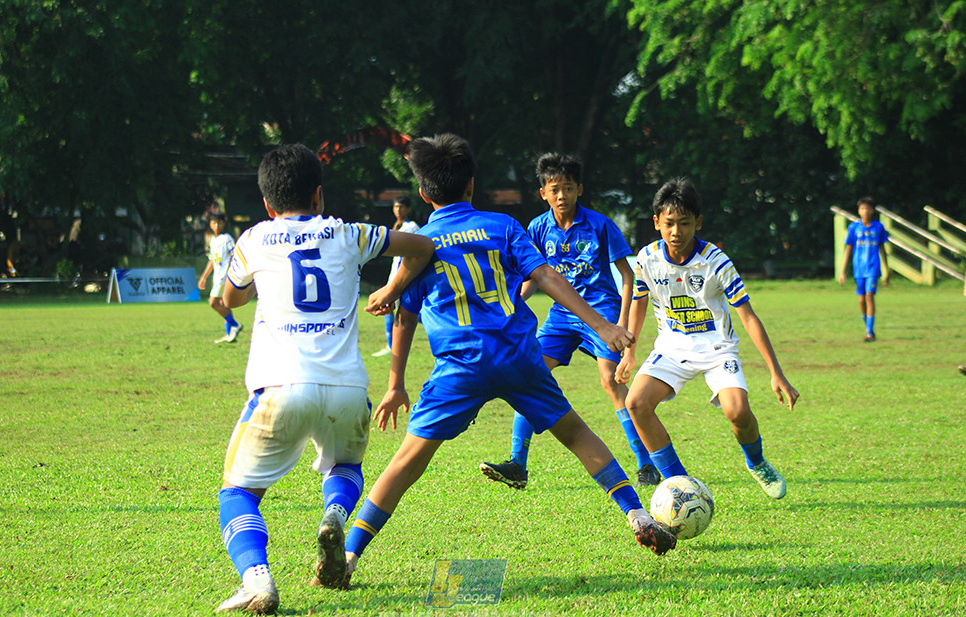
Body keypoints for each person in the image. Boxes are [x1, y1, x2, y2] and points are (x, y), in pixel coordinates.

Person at [343, 133, 677, 587]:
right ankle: (637, 516)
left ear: (423, 193)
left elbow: (405, 314)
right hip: (519, 355)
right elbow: (546, 276)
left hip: (460, 366)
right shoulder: (503, 226)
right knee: (576, 432)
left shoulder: (419, 242)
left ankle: (348, 555)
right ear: (471, 185)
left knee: (406, 462)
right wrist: (602, 326)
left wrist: (395, 382)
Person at [214, 143, 435, 615]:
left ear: (268, 205)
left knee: (238, 493)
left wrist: (256, 281)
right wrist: (392, 288)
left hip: (279, 386)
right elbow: (422, 246)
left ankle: (257, 583)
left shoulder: (253, 239)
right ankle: (334, 516)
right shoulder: (349, 233)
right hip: (347, 387)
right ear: (318, 197)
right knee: (344, 468)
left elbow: (230, 300)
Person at [479, 153, 658, 490]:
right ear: (543, 193)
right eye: (555, 189)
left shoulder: (601, 224)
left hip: (601, 312)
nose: (562, 195)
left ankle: (646, 464)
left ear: (580, 190)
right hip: (560, 316)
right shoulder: (536, 228)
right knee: (529, 376)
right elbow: (532, 278)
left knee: (611, 382)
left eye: (568, 188)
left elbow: (627, 276)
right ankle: (518, 463)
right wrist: (509, 304)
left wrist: (622, 326)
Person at [615, 177, 800, 500]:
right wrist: (630, 352)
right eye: (669, 223)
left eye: (685, 224)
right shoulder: (646, 259)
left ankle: (756, 462)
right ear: (656, 222)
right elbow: (639, 302)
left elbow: (748, 316)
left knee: (738, 412)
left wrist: (776, 372)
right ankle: (680, 485)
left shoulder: (716, 262)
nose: (676, 232)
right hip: (672, 348)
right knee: (636, 403)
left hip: (717, 349)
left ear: (697, 223)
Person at [371, 194, 421, 357]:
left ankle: (392, 346)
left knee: (407, 310)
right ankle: (391, 345)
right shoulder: (398, 226)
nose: (398, 210)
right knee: (392, 308)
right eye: (395, 207)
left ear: (408, 209)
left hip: (403, 275)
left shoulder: (412, 227)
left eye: (401, 207)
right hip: (394, 273)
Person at [838, 196, 889, 342]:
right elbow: (848, 249)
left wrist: (887, 269)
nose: (865, 211)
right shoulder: (854, 228)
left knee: (869, 296)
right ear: (859, 211)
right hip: (858, 268)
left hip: (873, 267)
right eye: (862, 209)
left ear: (872, 210)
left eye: (868, 208)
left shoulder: (878, 227)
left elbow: (883, 249)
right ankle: (867, 325)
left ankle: (870, 332)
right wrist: (842, 271)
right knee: (861, 300)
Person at [198, 213, 244, 344]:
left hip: (224, 276)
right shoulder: (213, 240)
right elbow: (212, 260)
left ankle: (235, 325)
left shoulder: (227, 238)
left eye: (219, 222)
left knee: (213, 303)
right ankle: (230, 334)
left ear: (224, 223)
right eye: (214, 223)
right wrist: (204, 277)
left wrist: (233, 271)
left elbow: (234, 254)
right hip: (217, 276)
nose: (217, 225)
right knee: (224, 305)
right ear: (210, 225)